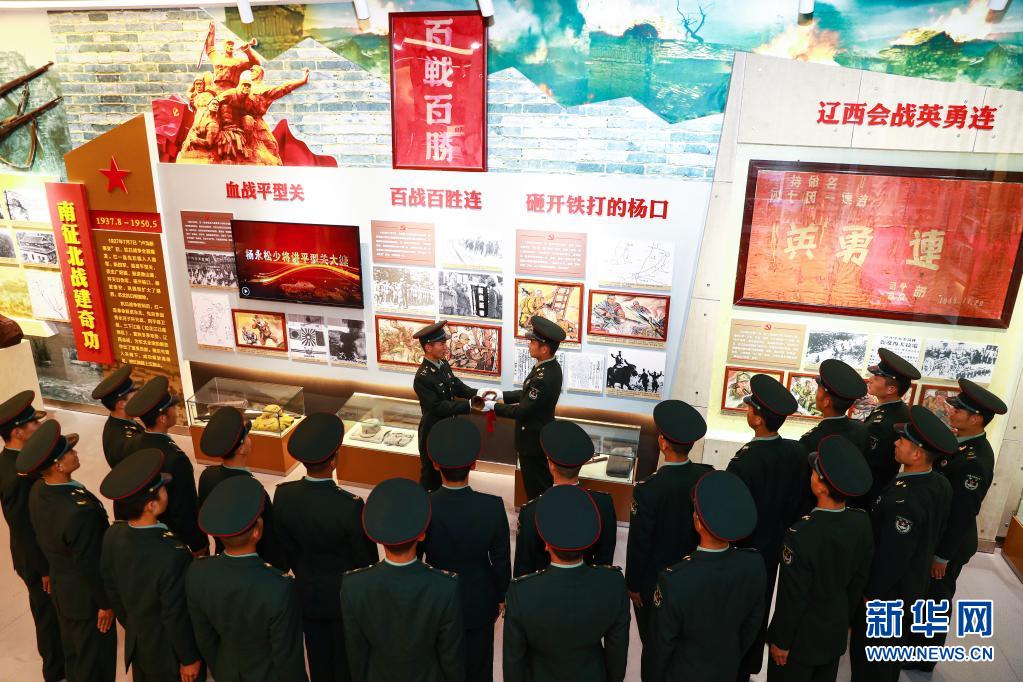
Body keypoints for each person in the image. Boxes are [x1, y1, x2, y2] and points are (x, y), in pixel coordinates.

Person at [849, 405, 955, 682]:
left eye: (903, 441)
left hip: (888, 595)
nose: (895, 443)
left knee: (871, 660)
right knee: (889, 656)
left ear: (917, 454)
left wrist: (871, 594)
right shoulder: (937, 483)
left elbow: (893, 556)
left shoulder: (905, 501)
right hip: (912, 587)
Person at [907, 379, 1007, 672]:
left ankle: (923, 658)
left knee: (936, 598)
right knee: (925, 595)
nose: (951, 411)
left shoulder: (975, 460)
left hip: (950, 541)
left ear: (976, 419)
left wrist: (942, 555)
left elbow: (963, 512)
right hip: (938, 535)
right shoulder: (959, 445)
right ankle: (913, 646)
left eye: (958, 409)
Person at [274, 413, 378, 682]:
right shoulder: (350, 505)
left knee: (318, 658)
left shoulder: (283, 495)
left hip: (306, 591)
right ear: (334, 460)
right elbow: (365, 562)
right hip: (345, 599)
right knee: (347, 662)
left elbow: (285, 547)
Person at [767, 436, 874, 682]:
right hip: (833, 632)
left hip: (800, 641)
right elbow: (858, 581)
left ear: (821, 486)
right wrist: (845, 621)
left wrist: (781, 640)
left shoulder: (800, 534)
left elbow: (792, 597)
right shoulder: (861, 522)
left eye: (815, 473)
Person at [20, 420, 116, 682]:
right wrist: (105, 603)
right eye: (69, 452)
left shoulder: (39, 490)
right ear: (57, 466)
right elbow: (90, 562)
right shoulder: (79, 512)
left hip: (64, 591)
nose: (75, 453)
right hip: (87, 599)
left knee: (75, 656)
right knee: (95, 665)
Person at [341, 478, 465, 681]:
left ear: (377, 537)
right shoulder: (445, 587)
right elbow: (451, 657)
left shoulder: (353, 586)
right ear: (422, 535)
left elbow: (356, 654)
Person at [503, 484, 630, 682]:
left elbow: (513, 663)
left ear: (546, 543)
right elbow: (617, 655)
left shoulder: (522, 592)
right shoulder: (613, 585)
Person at [186, 475, 307, 681]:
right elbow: (288, 657)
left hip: (227, 670)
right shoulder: (279, 586)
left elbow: (204, 637)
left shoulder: (197, 572)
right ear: (256, 533)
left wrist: (222, 670)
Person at [727, 373, 808, 680]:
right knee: (760, 607)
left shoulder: (744, 463)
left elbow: (732, 517)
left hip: (744, 550)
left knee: (737, 611)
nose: (747, 410)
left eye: (750, 407)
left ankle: (735, 668)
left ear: (758, 419)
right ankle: (750, 664)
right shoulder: (796, 452)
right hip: (777, 545)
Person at [98, 448, 203, 682]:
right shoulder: (172, 554)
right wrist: (188, 657)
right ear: (151, 506)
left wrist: (134, 623)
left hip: (139, 641)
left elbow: (110, 586)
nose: (166, 491)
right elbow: (176, 614)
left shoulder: (113, 534)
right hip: (168, 653)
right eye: (162, 489)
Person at [626, 399, 712, 681]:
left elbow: (640, 543)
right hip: (696, 577)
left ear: (662, 443)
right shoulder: (705, 476)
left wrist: (633, 585)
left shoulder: (648, 490)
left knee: (655, 648)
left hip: (657, 582)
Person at [651, 470, 765, 681]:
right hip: (727, 668)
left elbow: (661, 648)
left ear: (697, 521)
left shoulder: (674, 580)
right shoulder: (754, 563)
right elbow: (753, 622)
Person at [421, 417, 511, 682]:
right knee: (479, 667)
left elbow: (415, 557)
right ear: (473, 464)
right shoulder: (492, 507)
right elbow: (501, 560)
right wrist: (502, 595)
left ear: (435, 464)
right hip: (479, 599)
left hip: (436, 598)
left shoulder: (424, 506)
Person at [0, 392, 64, 682]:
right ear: (17, 432)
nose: (39, 427)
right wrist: (44, 568)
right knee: (47, 614)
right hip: (35, 559)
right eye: (34, 424)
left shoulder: (17, 462)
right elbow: (23, 526)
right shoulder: (17, 475)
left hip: (38, 555)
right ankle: (55, 671)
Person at [513, 420, 616, 577]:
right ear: (582, 465)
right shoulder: (604, 504)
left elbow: (524, 568)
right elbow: (605, 562)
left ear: (551, 465)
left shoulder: (531, 511)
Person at [125, 376, 208, 556]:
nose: (176, 410)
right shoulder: (176, 458)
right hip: (175, 538)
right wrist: (198, 544)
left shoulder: (133, 443)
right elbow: (185, 507)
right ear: (163, 418)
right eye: (173, 407)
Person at [196, 406, 287, 569]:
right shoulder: (254, 490)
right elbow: (269, 541)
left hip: (223, 554)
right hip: (253, 565)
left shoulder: (207, 476)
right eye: (247, 436)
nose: (250, 439)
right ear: (242, 448)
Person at [411, 320, 490, 492]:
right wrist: (469, 405)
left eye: (444, 343)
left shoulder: (443, 364)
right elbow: (438, 407)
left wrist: (479, 393)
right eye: (441, 344)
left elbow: (457, 385)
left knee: (448, 470)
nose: (445, 347)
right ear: (428, 347)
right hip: (433, 431)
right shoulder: (422, 377)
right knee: (431, 476)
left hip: (448, 427)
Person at [494, 316, 566, 500]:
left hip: (532, 440)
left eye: (533, 342)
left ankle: (537, 516)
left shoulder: (544, 376)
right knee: (538, 484)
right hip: (537, 436)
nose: (529, 345)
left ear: (544, 348)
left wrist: (493, 407)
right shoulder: (548, 367)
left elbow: (523, 411)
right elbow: (527, 393)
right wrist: (502, 395)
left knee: (536, 489)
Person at [857, 348, 919, 509]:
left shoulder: (884, 422)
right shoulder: (899, 410)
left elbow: (871, 462)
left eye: (876, 378)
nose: (870, 380)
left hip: (869, 492)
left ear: (891, 389)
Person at [799, 358, 869, 456]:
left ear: (826, 402)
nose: (816, 395)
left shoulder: (812, 440)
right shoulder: (860, 429)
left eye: (818, 391)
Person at [91, 363, 143, 469]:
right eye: (134, 394)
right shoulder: (122, 440)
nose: (139, 397)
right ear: (121, 404)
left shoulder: (123, 421)